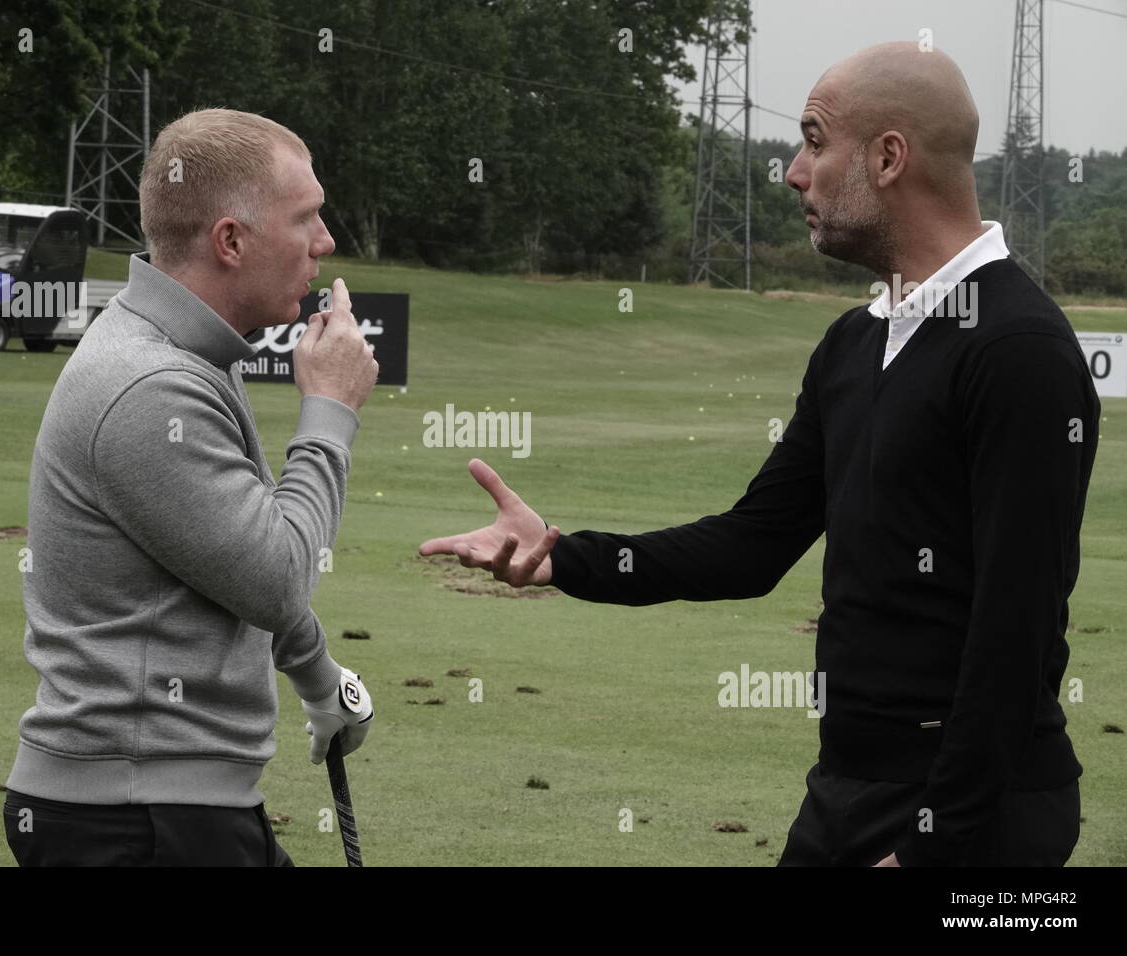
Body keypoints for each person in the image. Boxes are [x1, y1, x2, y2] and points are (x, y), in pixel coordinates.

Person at [420, 43, 1099, 867]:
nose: (792, 173)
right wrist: (564, 557)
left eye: (813, 141)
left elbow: (1015, 627)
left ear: (888, 158)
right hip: (848, 792)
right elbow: (752, 545)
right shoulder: (854, 342)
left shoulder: (1018, 350)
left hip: (975, 817)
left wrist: (936, 845)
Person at [4, 109, 378, 866]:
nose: (325, 241)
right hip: (138, 819)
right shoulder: (152, 385)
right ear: (230, 241)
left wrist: (317, 677)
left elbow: (229, 560)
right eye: (305, 218)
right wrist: (330, 411)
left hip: (161, 810)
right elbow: (275, 576)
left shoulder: (186, 354)